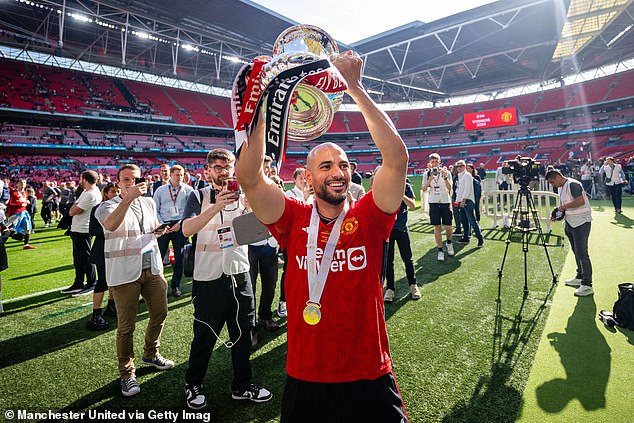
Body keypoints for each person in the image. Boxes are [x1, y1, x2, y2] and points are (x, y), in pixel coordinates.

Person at [237, 52, 409, 422]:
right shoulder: (292, 218)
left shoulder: (370, 217)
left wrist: (356, 88)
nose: (337, 172)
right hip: (307, 375)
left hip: (369, 371)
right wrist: (264, 101)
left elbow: (396, 160)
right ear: (308, 177)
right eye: (326, 166)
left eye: (344, 165)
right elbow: (249, 179)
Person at [181, 148, 272, 410]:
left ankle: (242, 386)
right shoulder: (198, 195)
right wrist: (217, 206)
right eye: (218, 167)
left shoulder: (245, 196)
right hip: (208, 277)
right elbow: (187, 229)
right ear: (208, 170)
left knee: (243, 335)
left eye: (228, 167)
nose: (224, 172)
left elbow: (255, 235)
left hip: (239, 274)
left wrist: (251, 210)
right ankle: (193, 384)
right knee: (205, 336)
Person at [96, 164, 174, 397]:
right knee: (126, 326)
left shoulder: (149, 202)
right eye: (126, 179)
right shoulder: (106, 206)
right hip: (124, 272)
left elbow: (147, 229)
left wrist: (158, 231)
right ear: (118, 182)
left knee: (160, 312)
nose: (132, 182)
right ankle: (127, 373)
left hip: (152, 266)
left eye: (136, 179)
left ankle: (150, 353)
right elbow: (110, 225)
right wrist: (128, 199)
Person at [546, 168, 594, 296]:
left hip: (581, 223)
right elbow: (567, 205)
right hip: (571, 222)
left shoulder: (573, 184)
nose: (552, 185)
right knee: (576, 251)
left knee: (582, 253)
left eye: (552, 182)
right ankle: (580, 276)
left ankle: (587, 284)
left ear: (557, 177)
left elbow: (580, 201)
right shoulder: (562, 187)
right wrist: (559, 214)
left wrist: (562, 207)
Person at [153, 164, 193, 297]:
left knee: (179, 257)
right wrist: (162, 224)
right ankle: (157, 285)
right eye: (177, 175)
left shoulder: (188, 190)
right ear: (170, 175)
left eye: (182, 175)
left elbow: (190, 210)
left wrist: (180, 223)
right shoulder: (160, 190)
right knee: (158, 257)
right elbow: (155, 209)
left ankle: (175, 285)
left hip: (180, 225)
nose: (180, 177)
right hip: (163, 225)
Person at [277, 167, 312, 318]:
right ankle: (283, 301)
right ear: (294, 180)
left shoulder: (313, 194)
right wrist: (304, 198)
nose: (304, 181)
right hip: (292, 240)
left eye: (305, 178)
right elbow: (290, 219)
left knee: (308, 270)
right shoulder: (288, 195)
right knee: (289, 270)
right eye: (300, 179)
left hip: (309, 239)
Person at [61, 171, 102, 296]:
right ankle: (78, 283)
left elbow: (72, 211)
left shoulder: (91, 194)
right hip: (77, 228)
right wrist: (73, 208)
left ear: (84, 179)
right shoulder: (86, 192)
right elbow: (74, 207)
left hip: (83, 229)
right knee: (78, 259)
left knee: (86, 259)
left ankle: (91, 283)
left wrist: (73, 208)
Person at [87, 182, 120, 330]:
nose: (116, 194)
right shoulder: (98, 208)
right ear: (105, 193)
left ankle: (111, 306)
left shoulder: (120, 207)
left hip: (117, 249)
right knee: (103, 281)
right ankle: (96, 313)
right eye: (113, 191)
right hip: (102, 249)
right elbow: (92, 230)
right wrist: (110, 231)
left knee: (114, 279)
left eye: (118, 191)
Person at [382, 178, 419, 302]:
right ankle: (390, 289)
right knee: (388, 261)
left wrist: (401, 195)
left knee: (408, 259)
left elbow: (413, 206)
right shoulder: (385, 185)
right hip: (388, 229)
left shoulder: (406, 186)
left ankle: (413, 285)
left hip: (402, 228)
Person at [421, 153, 454, 261]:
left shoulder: (446, 172)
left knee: (448, 226)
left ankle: (449, 243)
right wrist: (430, 179)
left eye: (436, 161)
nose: (435, 163)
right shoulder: (427, 174)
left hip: (445, 201)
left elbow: (450, 188)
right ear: (430, 162)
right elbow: (424, 189)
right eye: (433, 161)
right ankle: (440, 250)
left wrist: (444, 177)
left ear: (440, 161)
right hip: (433, 202)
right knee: (437, 226)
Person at [455, 160, 484, 247]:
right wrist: (458, 200)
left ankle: (480, 239)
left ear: (464, 167)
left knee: (472, 221)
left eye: (461, 166)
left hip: (467, 201)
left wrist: (463, 200)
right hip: (462, 201)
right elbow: (460, 190)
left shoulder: (467, 175)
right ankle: (466, 237)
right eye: (458, 166)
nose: (459, 168)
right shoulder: (461, 176)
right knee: (464, 221)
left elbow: (467, 188)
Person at [7, 180, 35, 249]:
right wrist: (20, 204)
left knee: (28, 228)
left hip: (24, 212)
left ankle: (26, 244)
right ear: (17, 184)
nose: (23, 184)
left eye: (24, 182)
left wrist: (25, 203)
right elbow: (9, 203)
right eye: (21, 183)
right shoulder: (13, 193)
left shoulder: (25, 193)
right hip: (15, 213)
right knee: (9, 228)